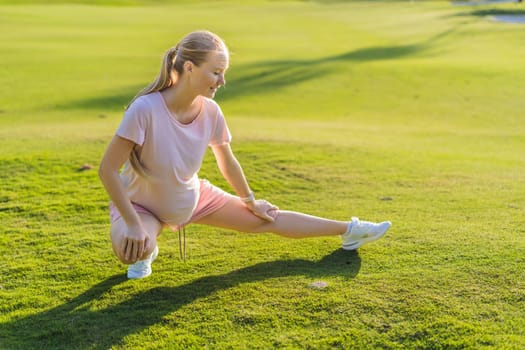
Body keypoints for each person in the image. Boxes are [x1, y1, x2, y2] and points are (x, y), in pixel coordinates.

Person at [98, 30, 391, 279]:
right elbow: (108, 170)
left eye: (223, 73)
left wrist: (250, 201)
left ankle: (350, 230)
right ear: (189, 68)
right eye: (216, 72)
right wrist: (135, 225)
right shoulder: (145, 109)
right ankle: (147, 247)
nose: (222, 81)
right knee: (130, 250)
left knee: (267, 219)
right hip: (142, 209)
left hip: (193, 198)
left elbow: (227, 160)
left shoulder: (211, 111)